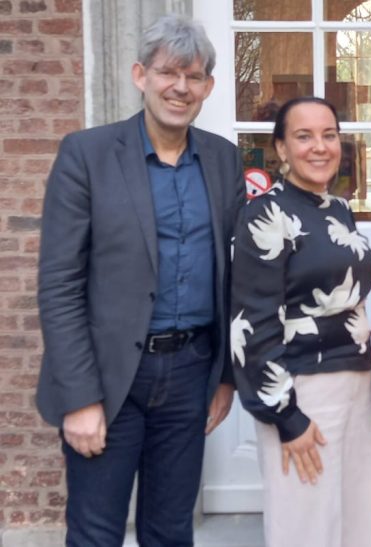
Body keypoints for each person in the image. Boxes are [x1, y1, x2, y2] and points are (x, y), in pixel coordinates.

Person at [35, 15, 245, 546]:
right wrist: (79, 398)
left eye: (193, 76)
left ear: (208, 87)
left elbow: (231, 274)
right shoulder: (87, 154)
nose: (180, 87)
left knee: (171, 531)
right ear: (140, 75)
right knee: (96, 533)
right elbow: (59, 285)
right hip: (108, 380)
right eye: (168, 72)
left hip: (190, 373)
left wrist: (225, 375)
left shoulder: (223, 159)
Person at [229, 96, 371, 547]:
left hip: (355, 385)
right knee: (306, 527)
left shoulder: (337, 209)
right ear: (281, 148)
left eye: (329, 135)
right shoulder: (265, 213)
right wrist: (285, 416)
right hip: (302, 391)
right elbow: (252, 323)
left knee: (355, 524)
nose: (320, 146)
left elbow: (353, 305)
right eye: (304, 136)